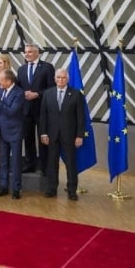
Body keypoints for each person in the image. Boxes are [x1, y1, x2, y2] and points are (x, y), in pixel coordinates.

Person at [39, 69, 85, 201]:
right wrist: (43, 133)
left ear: (67, 79)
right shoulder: (48, 93)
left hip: (70, 135)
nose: (60, 80)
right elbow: (43, 116)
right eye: (58, 77)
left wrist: (79, 136)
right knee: (52, 163)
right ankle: (52, 189)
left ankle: (71, 191)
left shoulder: (76, 94)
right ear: (54, 79)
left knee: (71, 164)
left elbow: (80, 118)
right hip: (51, 135)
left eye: (63, 78)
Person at [17, 43, 55, 174]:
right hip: (26, 109)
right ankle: (30, 164)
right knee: (28, 138)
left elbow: (51, 88)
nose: (26, 54)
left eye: (30, 52)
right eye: (25, 52)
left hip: (42, 109)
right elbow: (19, 88)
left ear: (37, 53)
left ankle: (45, 166)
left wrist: (37, 94)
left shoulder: (47, 67)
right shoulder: (21, 69)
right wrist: (23, 94)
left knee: (43, 138)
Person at [0, 69, 25, 199]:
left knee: (15, 162)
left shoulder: (19, 93)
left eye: (0, 79)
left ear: (9, 81)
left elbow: (11, 111)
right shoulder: (0, 90)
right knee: (3, 161)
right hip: (2, 131)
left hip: (15, 132)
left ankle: (16, 189)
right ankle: (3, 186)